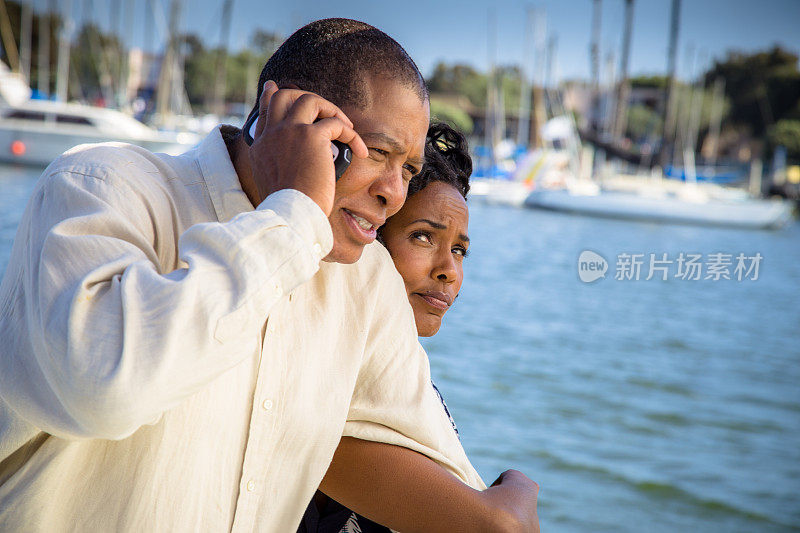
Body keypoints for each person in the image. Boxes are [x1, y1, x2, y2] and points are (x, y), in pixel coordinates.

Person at [0, 18, 538, 532]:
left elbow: (436, 456)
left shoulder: (364, 281)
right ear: (287, 114)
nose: (393, 194)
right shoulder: (101, 183)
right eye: (378, 153)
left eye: (409, 170)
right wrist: (294, 212)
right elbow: (103, 387)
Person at [301, 123, 539, 533]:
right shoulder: (327, 386)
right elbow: (499, 526)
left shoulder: (408, 389)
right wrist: (522, 486)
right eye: (424, 237)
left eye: (460, 250)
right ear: (369, 237)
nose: (449, 271)